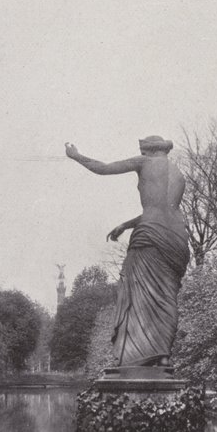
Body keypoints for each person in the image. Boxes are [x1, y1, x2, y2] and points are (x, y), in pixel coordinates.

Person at [65, 136, 191, 368]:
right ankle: (162, 355)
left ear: (147, 151)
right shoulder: (178, 174)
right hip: (176, 238)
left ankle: (135, 355)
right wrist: (125, 224)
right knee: (165, 295)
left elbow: (103, 169)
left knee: (137, 292)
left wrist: (77, 156)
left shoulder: (145, 162)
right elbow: (163, 210)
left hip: (150, 235)